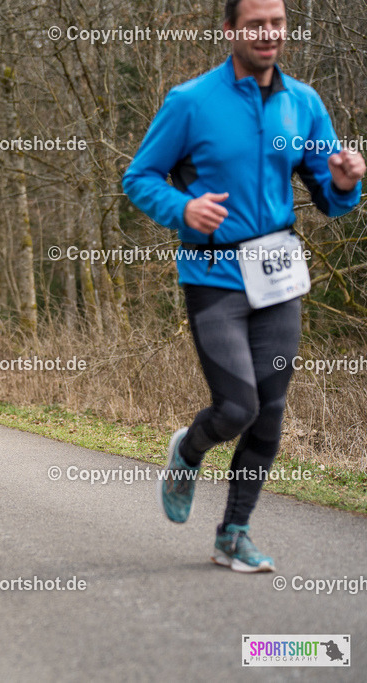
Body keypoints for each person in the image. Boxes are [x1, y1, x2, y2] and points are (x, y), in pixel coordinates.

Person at [123, 0, 364, 572]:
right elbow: (139, 176)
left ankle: (234, 533)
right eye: (256, 23)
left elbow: (329, 196)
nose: (268, 33)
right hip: (214, 277)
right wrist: (183, 207)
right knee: (236, 406)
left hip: (279, 275)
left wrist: (344, 182)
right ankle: (188, 450)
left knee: (271, 411)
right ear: (230, 28)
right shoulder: (191, 102)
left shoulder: (302, 103)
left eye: (277, 23)